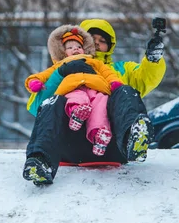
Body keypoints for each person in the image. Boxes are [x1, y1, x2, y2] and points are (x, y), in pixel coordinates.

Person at [23, 18, 166, 185]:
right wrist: (60, 74)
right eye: (93, 38)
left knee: (124, 90)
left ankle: (132, 139)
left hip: (111, 145)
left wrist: (152, 61)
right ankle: (40, 162)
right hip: (68, 144)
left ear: (110, 46)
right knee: (52, 102)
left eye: (103, 41)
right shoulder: (59, 69)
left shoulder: (122, 70)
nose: (97, 44)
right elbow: (37, 106)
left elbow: (144, 77)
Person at [24, 25, 123, 162]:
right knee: (76, 97)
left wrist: (114, 83)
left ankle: (99, 135)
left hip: (95, 88)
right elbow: (44, 75)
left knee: (100, 105)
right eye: (70, 47)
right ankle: (77, 113)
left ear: (85, 48)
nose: (75, 49)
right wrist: (34, 82)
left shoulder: (93, 62)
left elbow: (108, 73)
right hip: (73, 87)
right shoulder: (61, 64)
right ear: (63, 53)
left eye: (78, 46)